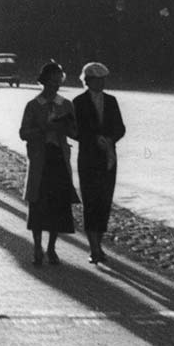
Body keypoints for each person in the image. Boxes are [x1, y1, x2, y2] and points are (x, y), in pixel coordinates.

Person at [20, 61, 78, 266]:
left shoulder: (66, 105)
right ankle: (37, 246)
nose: (55, 86)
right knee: (38, 204)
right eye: (51, 82)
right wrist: (44, 129)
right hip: (40, 159)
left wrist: (66, 128)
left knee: (58, 206)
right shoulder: (33, 105)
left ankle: (52, 247)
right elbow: (23, 133)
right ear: (43, 82)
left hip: (59, 158)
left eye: (58, 82)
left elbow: (75, 132)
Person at [73, 61, 125, 265]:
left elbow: (120, 127)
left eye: (103, 79)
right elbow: (76, 130)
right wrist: (93, 139)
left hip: (108, 158)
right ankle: (93, 247)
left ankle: (99, 243)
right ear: (87, 81)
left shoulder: (111, 101)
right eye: (97, 80)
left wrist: (110, 139)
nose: (101, 83)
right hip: (88, 158)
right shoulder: (78, 102)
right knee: (90, 202)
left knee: (104, 202)